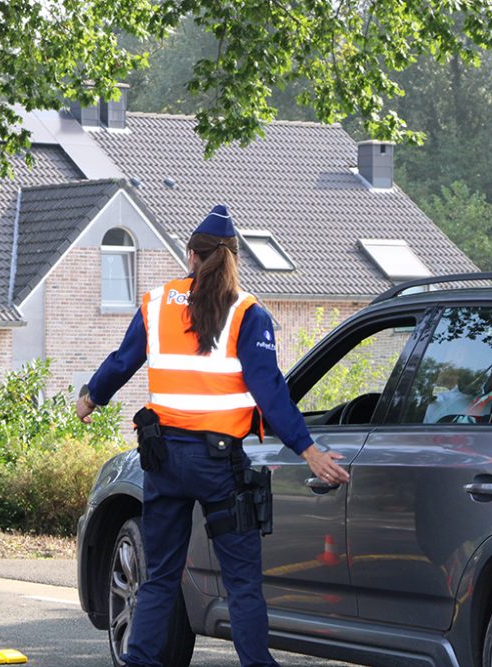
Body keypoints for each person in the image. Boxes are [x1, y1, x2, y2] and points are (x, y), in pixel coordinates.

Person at [75, 204, 350, 667]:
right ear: (233, 259)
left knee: (160, 575)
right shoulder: (247, 312)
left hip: (163, 460)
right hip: (220, 467)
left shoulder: (158, 302)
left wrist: (91, 396)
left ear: (191, 256)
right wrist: (308, 449)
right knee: (242, 582)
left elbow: (124, 360)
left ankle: (140, 661)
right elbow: (270, 392)